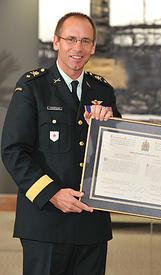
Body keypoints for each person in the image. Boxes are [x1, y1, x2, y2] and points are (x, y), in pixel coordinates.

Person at [1, 12, 120, 275]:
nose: (78, 48)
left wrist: (107, 128)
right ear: (56, 42)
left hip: (91, 225)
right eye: (71, 39)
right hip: (45, 223)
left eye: (85, 40)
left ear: (94, 46)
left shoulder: (103, 91)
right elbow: (13, 152)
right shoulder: (33, 86)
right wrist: (52, 194)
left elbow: (120, 152)